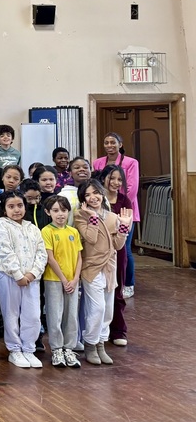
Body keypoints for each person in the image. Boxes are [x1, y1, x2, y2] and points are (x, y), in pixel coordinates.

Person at [75, 179, 131, 366]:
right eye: (87, 195)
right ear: (83, 199)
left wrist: (123, 227)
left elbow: (118, 245)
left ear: (102, 193)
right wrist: (92, 217)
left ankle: (101, 344)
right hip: (91, 268)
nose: (93, 197)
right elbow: (90, 238)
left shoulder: (113, 217)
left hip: (109, 268)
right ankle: (90, 344)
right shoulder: (80, 215)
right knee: (96, 308)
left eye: (95, 192)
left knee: (107, 309)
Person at [0, 191, 47, 369]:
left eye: (20, 205)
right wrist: (17, 274)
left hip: (31, 278)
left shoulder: (32, 228)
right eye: (11, 206)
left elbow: (41, 253)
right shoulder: (1, 225)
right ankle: (15, 349)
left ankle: (29, 348)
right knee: (11, 313)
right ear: (4, 209)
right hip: (8, 276)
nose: (16, 210)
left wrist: (32, 274)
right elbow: (3, 251)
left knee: (33, 315)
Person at [92, 132, 140, 298]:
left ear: (120, 144)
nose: (109, 145)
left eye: (113, 142)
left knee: (125, 249)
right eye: (106, 142)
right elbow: (96, 184)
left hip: (124, 210)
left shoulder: (131, 162)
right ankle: (109, 280)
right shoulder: (97, 162)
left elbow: (131, 189)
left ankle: (128, 283)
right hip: (103, 209)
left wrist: (118, 203)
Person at [40, 195, 82, 368]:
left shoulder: (73, 232)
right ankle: (57, 348)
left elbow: (80, 257)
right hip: (54, 280)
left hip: (72, 281)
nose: (60, 214)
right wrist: (64, 279)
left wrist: (75, 279)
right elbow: (50, 258)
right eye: (55, 210)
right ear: (48, 212)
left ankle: (69, 348)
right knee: (55, 315)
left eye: (63, 210)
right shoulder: (46, 231)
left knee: (71, 315)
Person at [100, 164, 132, 346]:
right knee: (97, 291)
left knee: (116, 289)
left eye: (119, 179)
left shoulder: (124, 201)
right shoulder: (97, 198)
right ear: (104, 178)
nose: (116, 182)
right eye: (112, 178)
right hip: (97, 251)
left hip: (117, 251)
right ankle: (97, 330)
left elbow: (124, 228)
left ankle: (118, 330)